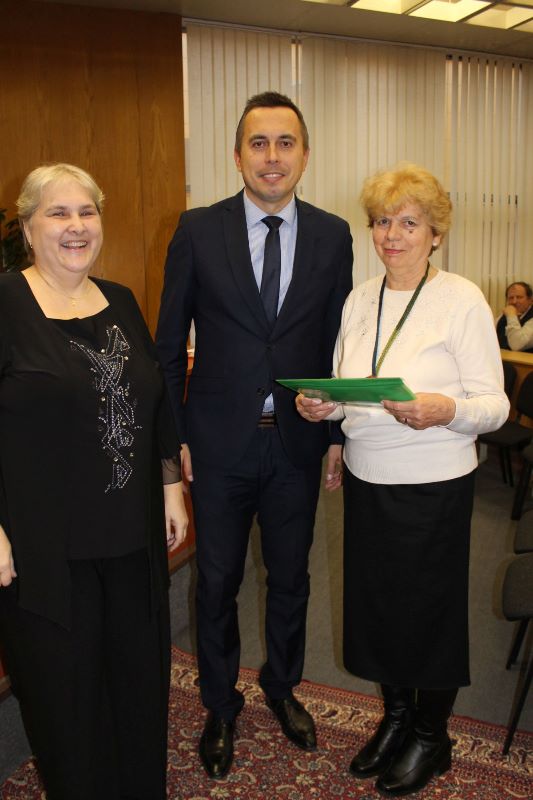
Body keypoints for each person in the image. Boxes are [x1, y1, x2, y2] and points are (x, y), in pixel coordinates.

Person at [156, 91, 353, 779]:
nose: (272, 157)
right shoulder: (197, 230)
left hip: (297, 444)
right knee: (217, 580)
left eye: (285, 142)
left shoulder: (332, 235)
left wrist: (337, 435)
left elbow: (338, 345)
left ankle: (282, 685)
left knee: (292, 577)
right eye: (258, 143)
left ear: (305, 154)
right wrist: (173, 444)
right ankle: (219, 704)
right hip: (216, 445)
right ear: (237, 154)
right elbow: (165, 347)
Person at [297, 163, 509, 797]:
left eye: (409, 223)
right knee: (378, 607)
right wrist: (324, 409)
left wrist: (447, 409)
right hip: (369, 477)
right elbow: (351, 386)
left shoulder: (461, 299)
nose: (392, 235)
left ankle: (431, 735)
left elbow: (495, 405)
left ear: (436, 234)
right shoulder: (360, 298)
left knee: (428, 613)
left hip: (433, 482)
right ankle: (395, 719)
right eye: (383, 221)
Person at [0, 163, 188, 800]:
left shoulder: (121, 300)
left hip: (132, 540)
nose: (76, 225)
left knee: (137, 688)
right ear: (28, 228)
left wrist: (170, 485)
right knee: (67, 702)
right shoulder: (5, 303)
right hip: (46, 548)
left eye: (87, 211)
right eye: (58, 213)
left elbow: (155, 398)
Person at [496, 281, 533, 352]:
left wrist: (511, 316)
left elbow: (516, 345)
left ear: (530, 300)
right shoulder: (502, 317)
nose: (514, 302)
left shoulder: (510, 314)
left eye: (519, 297)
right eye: (511, 298)